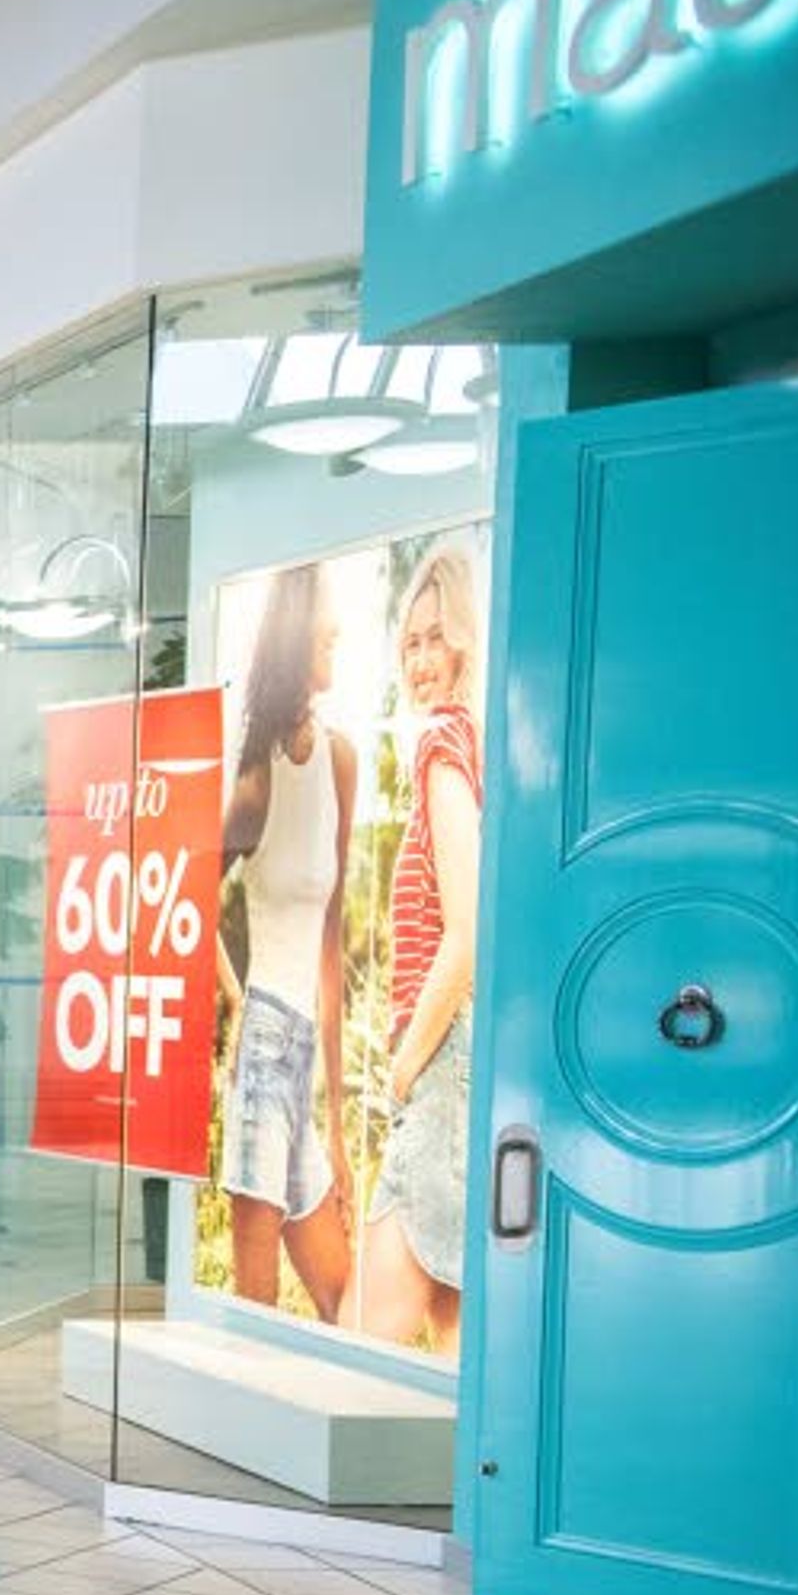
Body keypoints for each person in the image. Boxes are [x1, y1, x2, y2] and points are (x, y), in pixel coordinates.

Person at [215, 565, 357, 1320]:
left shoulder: (340, 759)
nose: (338, 632)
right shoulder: (253, 782)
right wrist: (238, 1001)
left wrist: (336, 1121)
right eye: (328, 624)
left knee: (346, 1304)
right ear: (297, 632)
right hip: (267, 1035)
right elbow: (181, 905)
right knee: (256, 1308)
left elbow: (332, 942)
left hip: (302, 1055)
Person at [353, 550, 481, 1352]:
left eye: (439, 639)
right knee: (454, 1357)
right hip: (451, 1076)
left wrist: (403, 1063)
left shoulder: (442, 744)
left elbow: (465, 936)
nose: (424, 661)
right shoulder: (465, 750)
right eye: (412, 644)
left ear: (467, 645)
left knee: (358, 1354)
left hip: (437, 1075)